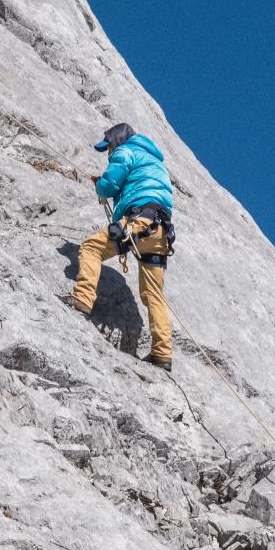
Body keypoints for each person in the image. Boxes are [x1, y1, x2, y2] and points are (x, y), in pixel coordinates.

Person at [66, 123, 175, 371]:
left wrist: (100, 185)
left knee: (91, 248)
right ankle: (162, 353)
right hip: (160, 231)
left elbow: (110, 184)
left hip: (139, 221)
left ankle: (82, 299)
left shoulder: (126, 152)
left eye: (108, 148)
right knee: (154, 294)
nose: (108, 153)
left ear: (117, 141)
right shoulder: (155, 162)